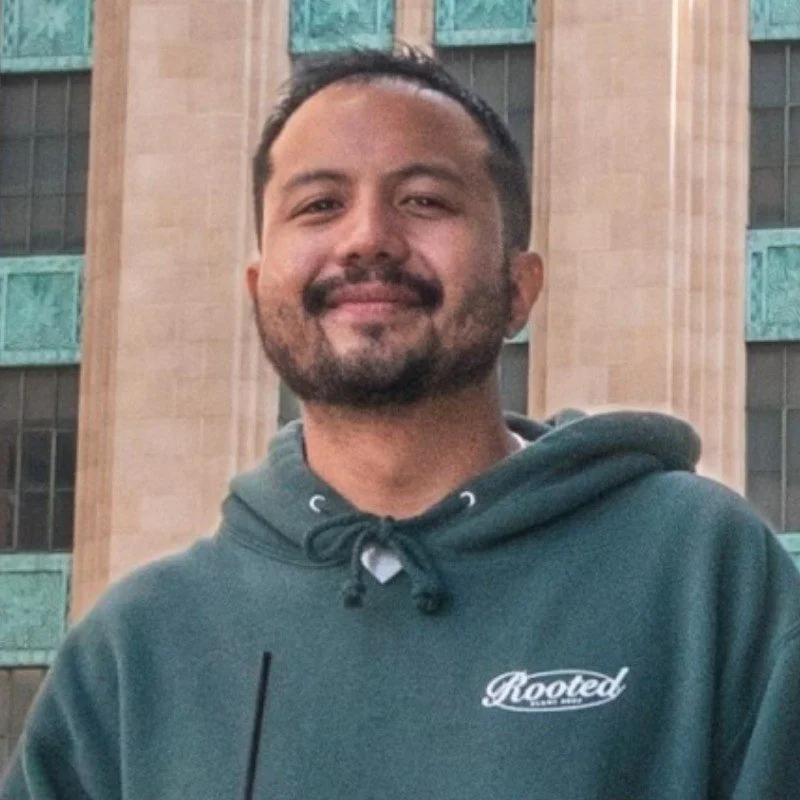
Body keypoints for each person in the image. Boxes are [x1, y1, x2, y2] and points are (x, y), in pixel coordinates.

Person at [3, 48, 800, 800]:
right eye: (319, 204)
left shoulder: (700, 571)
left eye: (423, 201)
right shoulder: (133, 652)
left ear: (519, 288)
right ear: (259, 292)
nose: (367, 239)